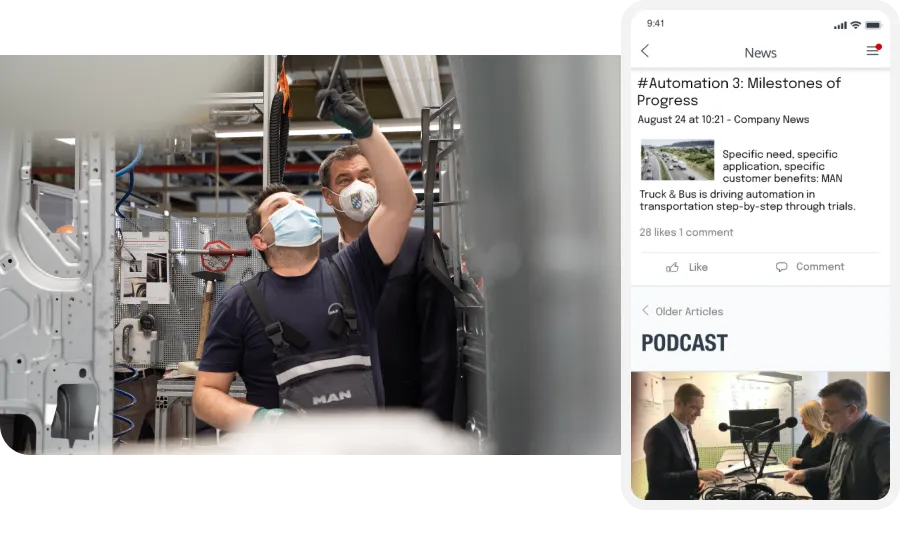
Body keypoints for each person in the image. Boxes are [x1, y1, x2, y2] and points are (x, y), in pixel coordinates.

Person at [192, 75, 418, 430]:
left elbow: (401, 202)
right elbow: (205, 396)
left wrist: (366, 130)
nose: (296, 207)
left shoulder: (355, 270)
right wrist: (262, 420)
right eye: (280, 207)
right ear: (260, 241)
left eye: (299, 202)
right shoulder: (239, 304)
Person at [318, 144, 457, 422]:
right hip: (339, 416)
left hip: (403, 413)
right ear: (328, 196)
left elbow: (439, 344)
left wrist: (433, 424)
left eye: (365, 176)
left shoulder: (418, 245)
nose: (357, 186)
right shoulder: (318, 259)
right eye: (344, 180)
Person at [784, 379, 890, 500]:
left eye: (829, 413)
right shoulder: (840, 429)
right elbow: (836, 466)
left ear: (851, 411)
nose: (823, 419)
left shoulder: (882, 434)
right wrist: (806, 473)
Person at [643, 383, 724, 499]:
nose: (698, 414)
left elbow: (685, 466)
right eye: (694, 408)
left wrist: (698, 478)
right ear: (678, 403)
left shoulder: (687, 427)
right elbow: (657, 479)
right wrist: (697, 475)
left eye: (700, 409)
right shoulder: (658, 433)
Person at [785, 400, 834, 500]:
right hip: (802, 486)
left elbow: (830, 467)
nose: (802, 422)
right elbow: (799, 456)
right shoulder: (809, 436)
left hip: (819, 491)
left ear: (813, 418)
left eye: (805, 418)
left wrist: (802, 461)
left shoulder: (830, 437)